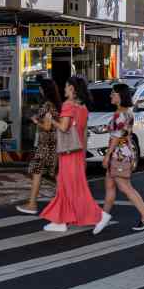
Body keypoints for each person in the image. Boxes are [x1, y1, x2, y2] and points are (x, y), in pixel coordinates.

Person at [40, 76, 104, 232]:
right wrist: (83, 157)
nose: (63, 89)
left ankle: (98, 216)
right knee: (69, 186)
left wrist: (51, 119)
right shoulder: (83, 108)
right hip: (78, 152)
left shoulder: (68, 105)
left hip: (68, 153)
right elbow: (83, 134)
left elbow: (63, 128)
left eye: (66, 87)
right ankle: (61, 220)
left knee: (68, 186)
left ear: (72, 89)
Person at [95, 83, 144, 233]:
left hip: (118, 155)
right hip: (123, 153)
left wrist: (107, 156)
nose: (111, 96)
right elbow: (126, 135)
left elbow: (116, 138)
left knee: (125, 187)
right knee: (110, 187)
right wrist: (132, 155)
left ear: (120, 96)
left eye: (113, 93)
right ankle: (103, 219)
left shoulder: (120, 115)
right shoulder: (126, 113)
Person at [17, 79, 62, 215]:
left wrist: (35, 121)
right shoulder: (55, 104)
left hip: (45, 145)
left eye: (41, 88)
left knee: (38, 172)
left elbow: (47, 127)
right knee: (55, 175)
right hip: (52, 144)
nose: (39, 90)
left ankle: (32, 204)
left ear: (44, 90)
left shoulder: (47, 105)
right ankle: (64, 201)